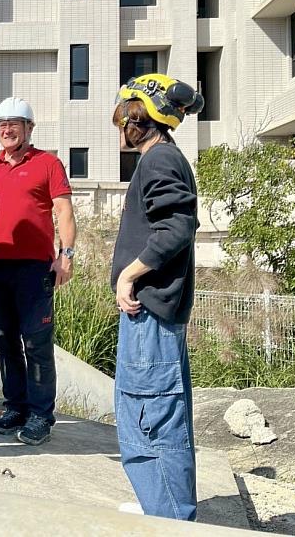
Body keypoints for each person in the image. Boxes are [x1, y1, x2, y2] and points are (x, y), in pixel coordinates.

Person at [110, 73, 204, 521]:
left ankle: (169, 520)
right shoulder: (163, 158)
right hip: (155, 313)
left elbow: (177, 228)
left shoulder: (159, 159)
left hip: (149, 312)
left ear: (139, 115)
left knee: (150, 415)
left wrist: (129, 275)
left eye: (124, 115)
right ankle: (164, 507)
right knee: (160, 411)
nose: (120, 125)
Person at [0, 97, 76, 446]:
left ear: (29, 128)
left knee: (36, 344)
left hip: (34, 269)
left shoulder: (47, 164)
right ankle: (16, 407)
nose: (6, 130)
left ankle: (40, 415)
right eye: (1, 124)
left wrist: (65, 255)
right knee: (4, 341)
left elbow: (64, 212)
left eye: (14, 124)